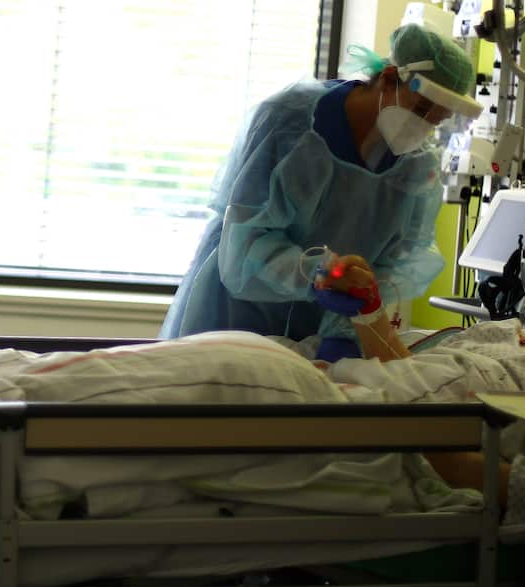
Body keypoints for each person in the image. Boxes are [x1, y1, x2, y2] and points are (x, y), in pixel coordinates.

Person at [160, 23, 477, 363]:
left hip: (322, 329)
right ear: (387, 79)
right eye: (420, 111)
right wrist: (317, 274)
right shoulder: (288, 121)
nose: (425, 127)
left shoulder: (415, 167)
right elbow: (245, 242)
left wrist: (345, 325)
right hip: (240, 309)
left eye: (437, 121)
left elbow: (392, 265)